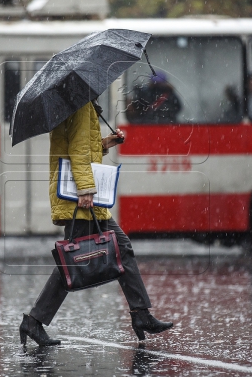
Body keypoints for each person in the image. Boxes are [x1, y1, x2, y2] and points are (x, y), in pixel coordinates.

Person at [19, 99, 173, 346]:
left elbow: (82, 147)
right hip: (81, 198)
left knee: (120, 249)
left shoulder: (78, 104)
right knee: (72, 264)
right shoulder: (79, 103)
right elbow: (78, 151)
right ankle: (34, 321)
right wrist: (86, 189)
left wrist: (106, 143)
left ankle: (140, 313)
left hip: (84, 196)